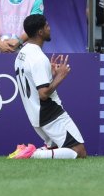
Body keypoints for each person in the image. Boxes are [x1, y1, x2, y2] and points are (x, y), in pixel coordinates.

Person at [11, 14, 87, 160]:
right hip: (49, 113)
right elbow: (43, 94)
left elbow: (33, 81)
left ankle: (32, 151)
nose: (49, 28)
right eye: (47, 26)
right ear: (40, 32)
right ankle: (32, 153)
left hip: (35, 114)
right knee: (79, 151)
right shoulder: (38, 58)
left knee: (56, 148)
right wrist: (60, 76)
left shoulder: (22, 53)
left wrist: (50, 74)